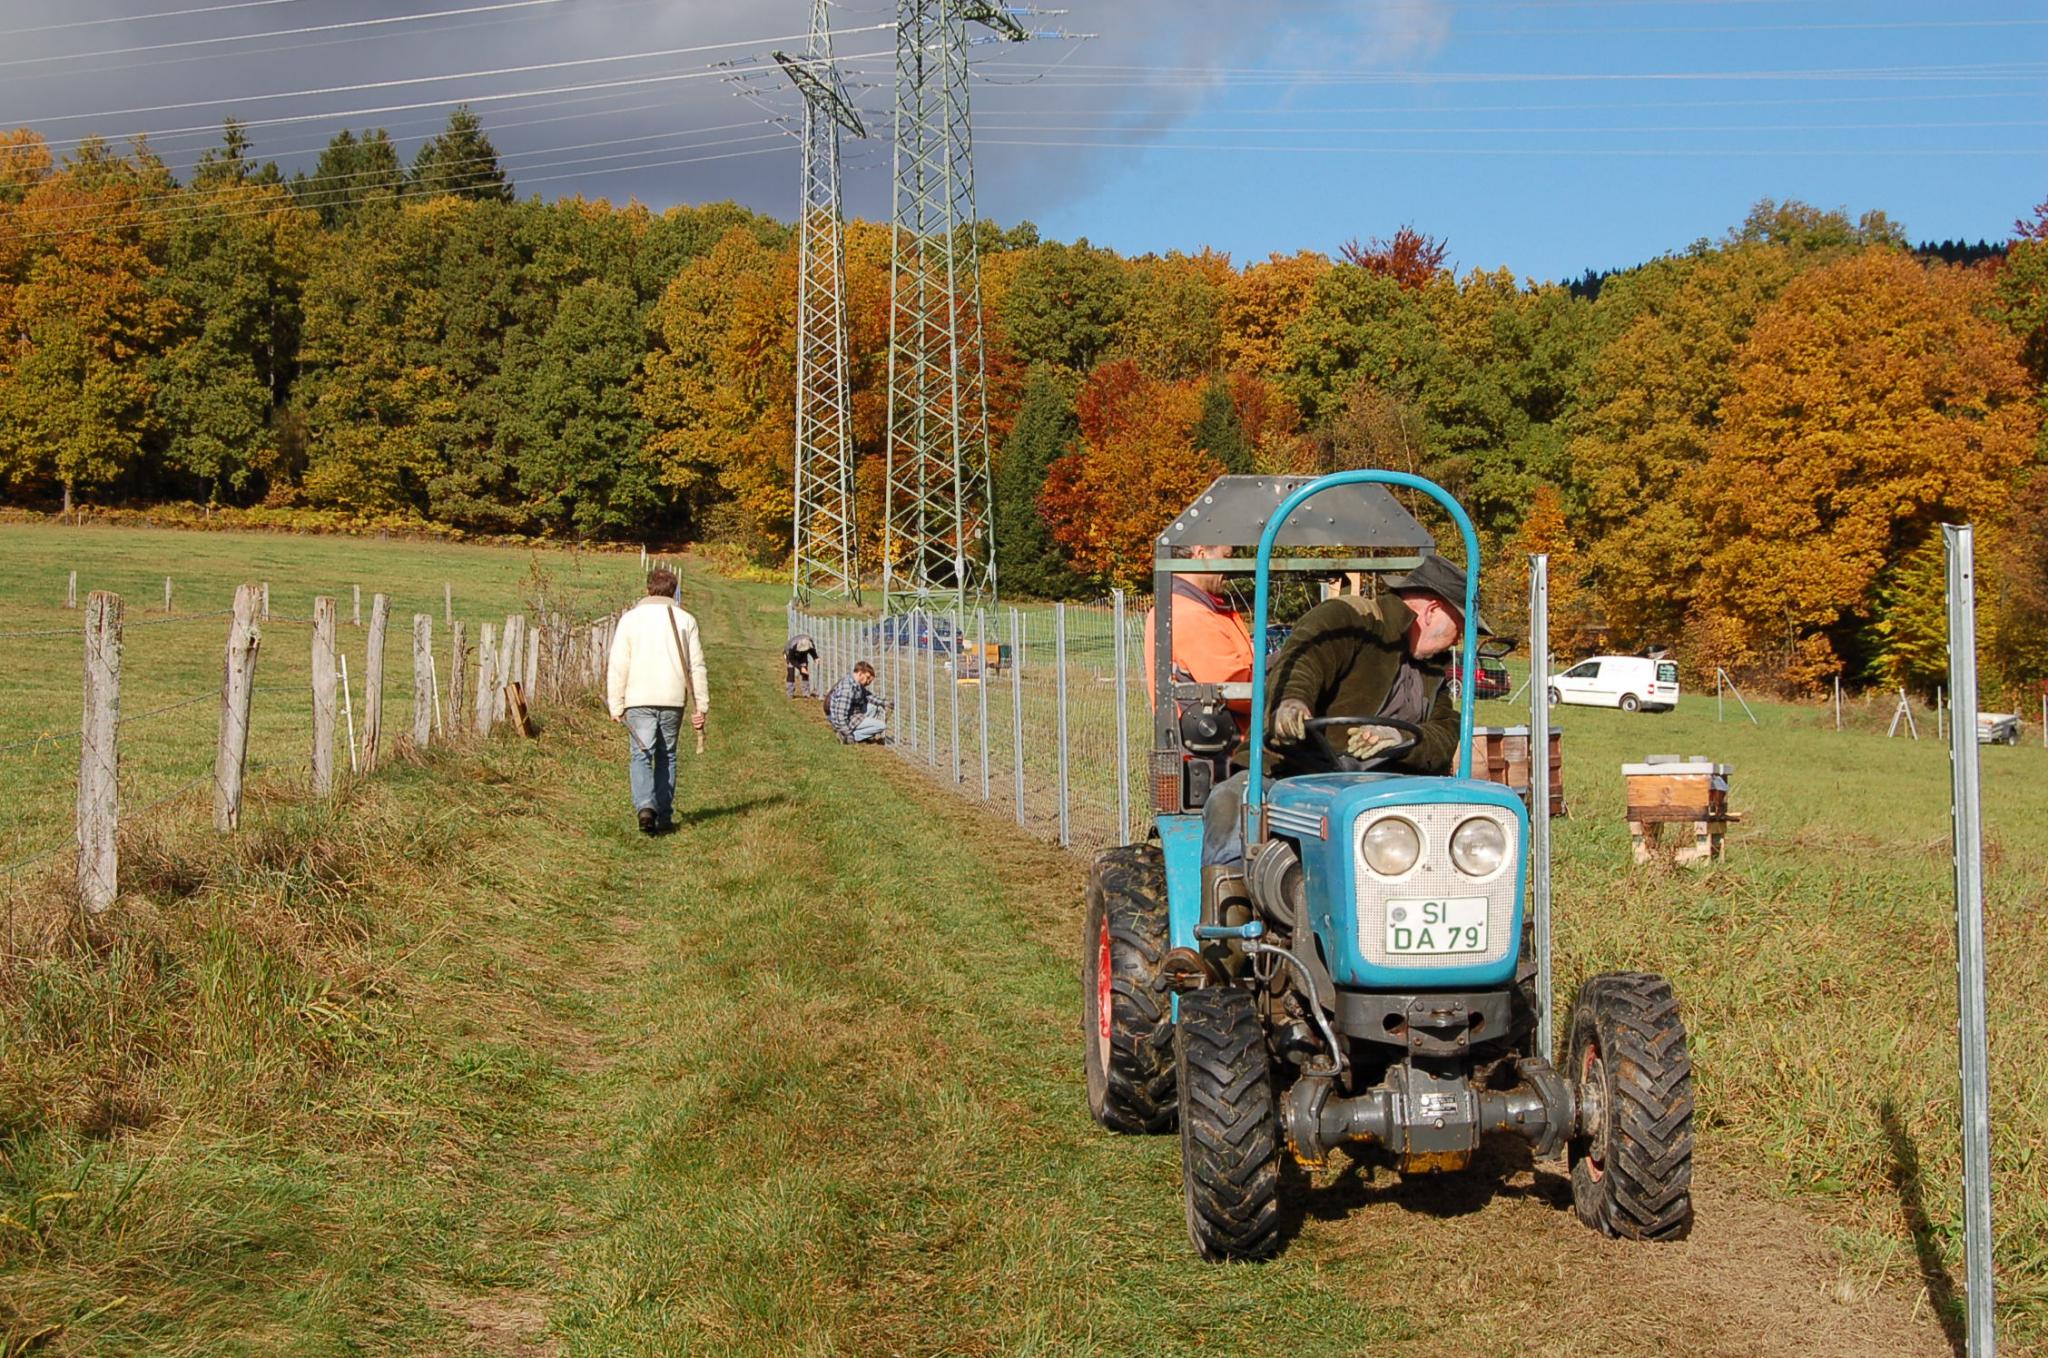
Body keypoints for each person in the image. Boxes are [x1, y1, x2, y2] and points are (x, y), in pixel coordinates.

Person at [1202, 554, 1488, 870]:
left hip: (1388, 790)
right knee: (1230, 800)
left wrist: (1400, 737)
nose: (1458, 640)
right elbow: (1304, 661)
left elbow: (1445, 730)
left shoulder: (1432, 671)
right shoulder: (1351, 620)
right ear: (1433, 611)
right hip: (1297, 775)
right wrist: (1292, 703)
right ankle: (1232, 907)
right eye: (1459, 628)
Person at [605, 566, 711, 834]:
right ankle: (663, 815)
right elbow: (696, 666)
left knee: (641, 755)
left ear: (647, 589)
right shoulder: (686, 619)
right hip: (673, 698)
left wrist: (615, 702)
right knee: (668, 756)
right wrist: (702, 704)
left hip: (638, 698)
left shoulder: (630, 619)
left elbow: (619, 663)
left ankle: (644, 807)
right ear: (674, 590)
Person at [1143, 543, 1256, 715]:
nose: (1230, 568)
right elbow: (1238, 692)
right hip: (1229, 739)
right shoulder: (1189, 614)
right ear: (1201, 554)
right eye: (1226, 557)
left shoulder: (1192, 607)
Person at [824, 661, 888, 743]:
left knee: (873, 707)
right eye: (868, 678)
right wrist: (847, 733)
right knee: (881, 726)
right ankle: (851, 737)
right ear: (860, 673)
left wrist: (883, 702)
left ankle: (859, 734)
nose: (868, 682)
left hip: (851, 713)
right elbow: (840, 715)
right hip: (840, 719)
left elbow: (867, 696)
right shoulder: (847, 688)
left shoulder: (855, 683)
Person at [785, 633, 819, 698]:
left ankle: (806, 693)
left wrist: (815, 657)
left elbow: (811, 650)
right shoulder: (792, 647)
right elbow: (791, 660)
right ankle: (790, 693)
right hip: (791, 656)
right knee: (791, 673)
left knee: (805, 674)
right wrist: (800, 668)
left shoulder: (810, 642)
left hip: (802, 656)